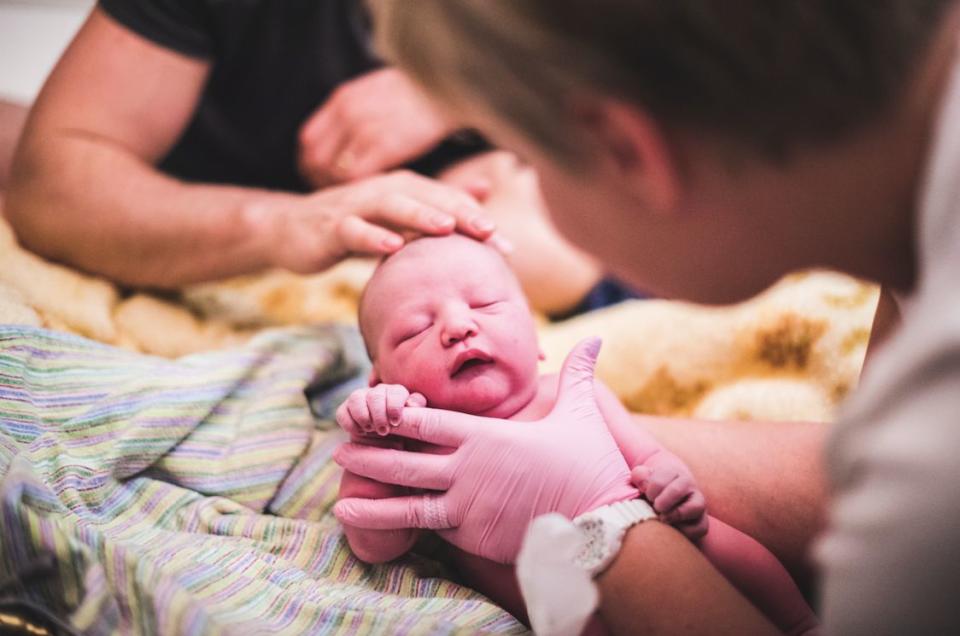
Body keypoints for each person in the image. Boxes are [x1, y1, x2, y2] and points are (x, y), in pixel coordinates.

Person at [330, 1, 960, 634]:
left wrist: (602, 522)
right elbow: (861, 469)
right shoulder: (911, 230)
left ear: (628, 151)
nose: (460, 323)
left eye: (523, 161)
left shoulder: (934, 454)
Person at [335, 235, 819, 635]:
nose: (459, 326)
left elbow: (646, 452)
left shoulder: (569, 392)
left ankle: (800, 623)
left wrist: (672, 480)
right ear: (378, 379)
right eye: (414, 330)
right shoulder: (415, 449)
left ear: (536, 336)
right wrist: (377, 441)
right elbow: (375, 546)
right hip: (561, 611)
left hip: (653, 538)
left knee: (729, 548)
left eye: (485, 304)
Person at [3, 1, 600, 315]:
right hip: (170, 194)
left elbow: (576, 251)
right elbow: (52, 183)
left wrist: (458, 91)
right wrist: (291, 221)